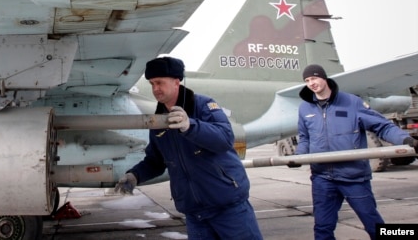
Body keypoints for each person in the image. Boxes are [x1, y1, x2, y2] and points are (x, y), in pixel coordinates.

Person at [115, 56, 263, 239]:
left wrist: (190, 126)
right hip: (195, 214)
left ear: (176, 82)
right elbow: (155, 162)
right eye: (152, 83)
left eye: (159, 82)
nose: (155, 89)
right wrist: (135, 175)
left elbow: (225, 138)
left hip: (228, 208)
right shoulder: (160, 121)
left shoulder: (203, 106)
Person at [293, 63, 418, 240]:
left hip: (353, 177)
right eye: (307, 80)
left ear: (324, 78)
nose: (311, 83)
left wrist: (407, 140)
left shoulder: (351, 102)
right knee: (322, 228)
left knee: (374, 225)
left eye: (314, 78)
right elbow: (304, 138)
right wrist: (299, 156)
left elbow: (382, 126)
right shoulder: (305, 108)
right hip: (322, 178)